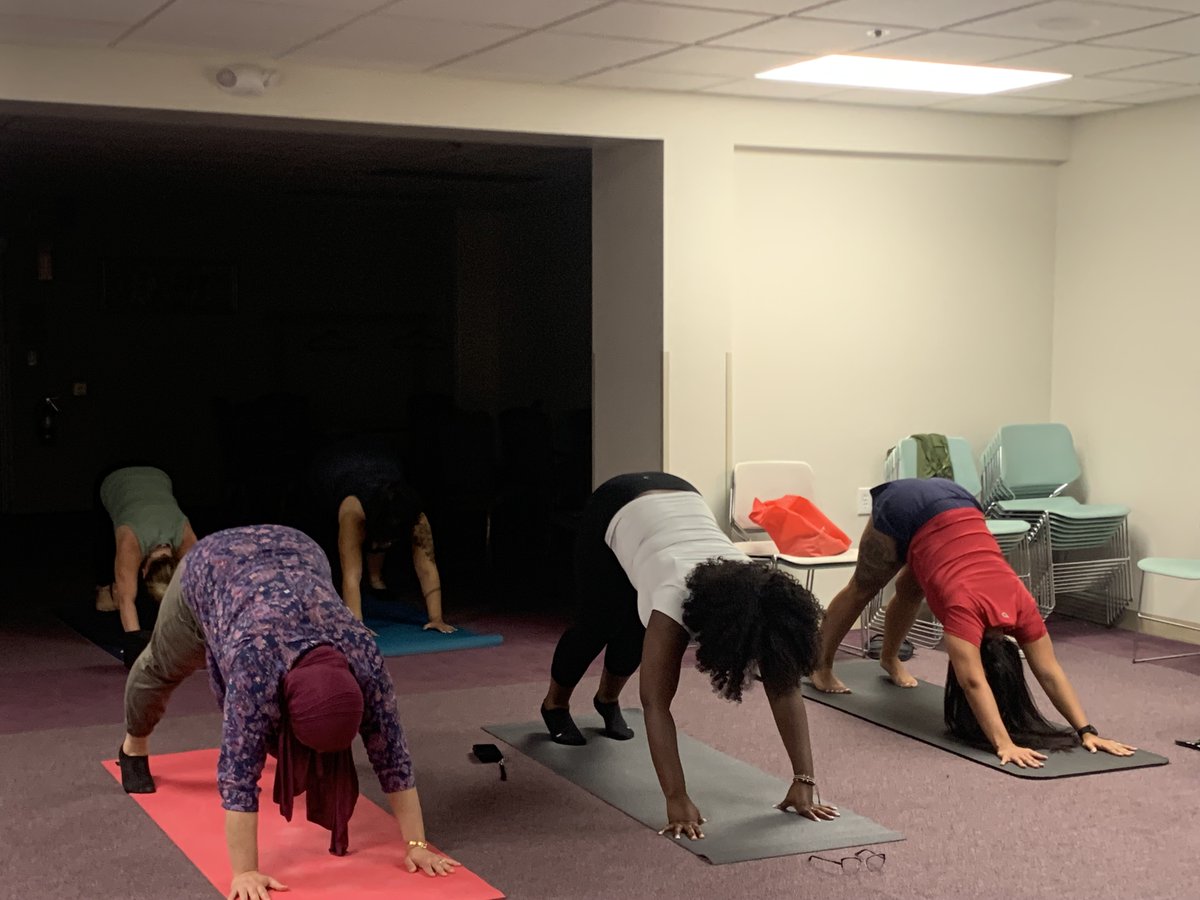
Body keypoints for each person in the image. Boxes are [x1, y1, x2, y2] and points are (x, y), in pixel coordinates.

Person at [117, 525, 457, 899]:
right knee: (163, 666)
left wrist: (417, 844)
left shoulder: (363, 655)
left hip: (298, 551)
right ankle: (134, 744)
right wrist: (245, 871)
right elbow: (238, 775)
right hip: (212, 566)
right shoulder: (255, 665)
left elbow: (392, 753)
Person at [541, 472, 838, 840]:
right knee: (597, 624)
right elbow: (655, 704)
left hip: (681, 499)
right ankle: (555, 705)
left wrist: (804, 780)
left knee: (638, 628)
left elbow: (784, 688)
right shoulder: (674, 596)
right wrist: (676, 798)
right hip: (616, 504)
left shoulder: (759, 596)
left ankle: (607, 700)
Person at [810, 477, 1137, 767]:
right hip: (905, 505)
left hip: (958, 501)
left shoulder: (1023, 605)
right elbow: (973, 682)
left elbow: (1050, 672)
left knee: (910, 589)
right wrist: (1003, 743)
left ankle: (889, 658)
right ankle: (820, 667)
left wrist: (1087, 731)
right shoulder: (964, 612)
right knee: (864, 587)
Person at [306, 441, 453, 633]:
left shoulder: (416, 518)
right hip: (332, 466)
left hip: (380, 458)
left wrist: (436, 618)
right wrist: (357, 624)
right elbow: (351, 574)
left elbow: (427, 567)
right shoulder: (353, 512)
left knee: (383, 538)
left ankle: (376, 579)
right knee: (343, 553)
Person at [93, 465, 198, 659]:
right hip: (112, 477)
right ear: (143, 572)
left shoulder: (188, 543)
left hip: (159, 473)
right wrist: (138, 652)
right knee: (115, 593)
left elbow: (200, 594)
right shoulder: (131, 544)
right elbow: (126, 601)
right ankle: (104, 590)